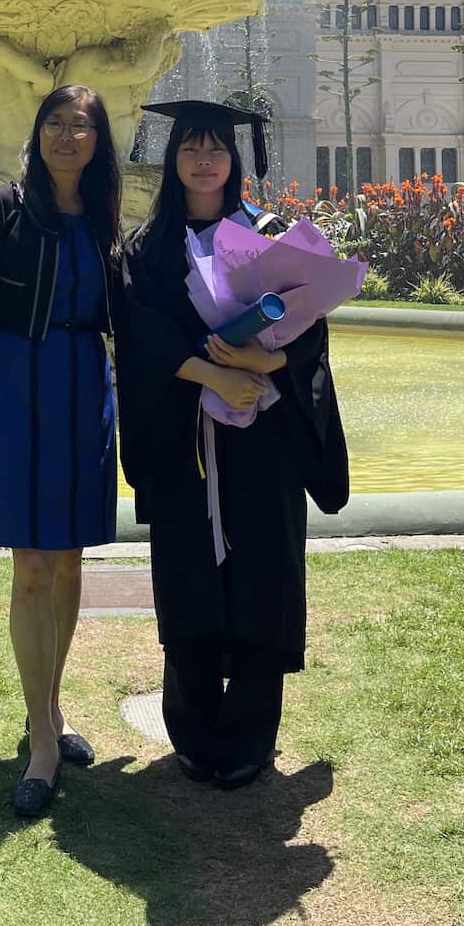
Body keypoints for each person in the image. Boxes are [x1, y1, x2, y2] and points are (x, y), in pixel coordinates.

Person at [115, 100, 349, 791]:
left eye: (217, 147)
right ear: (173, 158)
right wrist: (214, 370)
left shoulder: (268, 236)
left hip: (263, 440)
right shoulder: (147, 247)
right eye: (191, 147)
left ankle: (250, 732)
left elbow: (310, 335)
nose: (205, 159)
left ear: (234, 160)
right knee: (190, 571)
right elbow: (139, 336)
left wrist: (263, 365)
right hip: (187, 432)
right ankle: (193, 728)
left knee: (259, 573)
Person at [0, 84, 122, 818]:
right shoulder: (6, 206)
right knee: (31, 565)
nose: (66, 136)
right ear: (38, 131)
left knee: (71, 556)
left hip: (86, 387)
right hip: (18, 386)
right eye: (55, 123)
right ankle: (44, 748)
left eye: (80, 126)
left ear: (98, 140)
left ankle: (48, 711)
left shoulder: (104, 215)